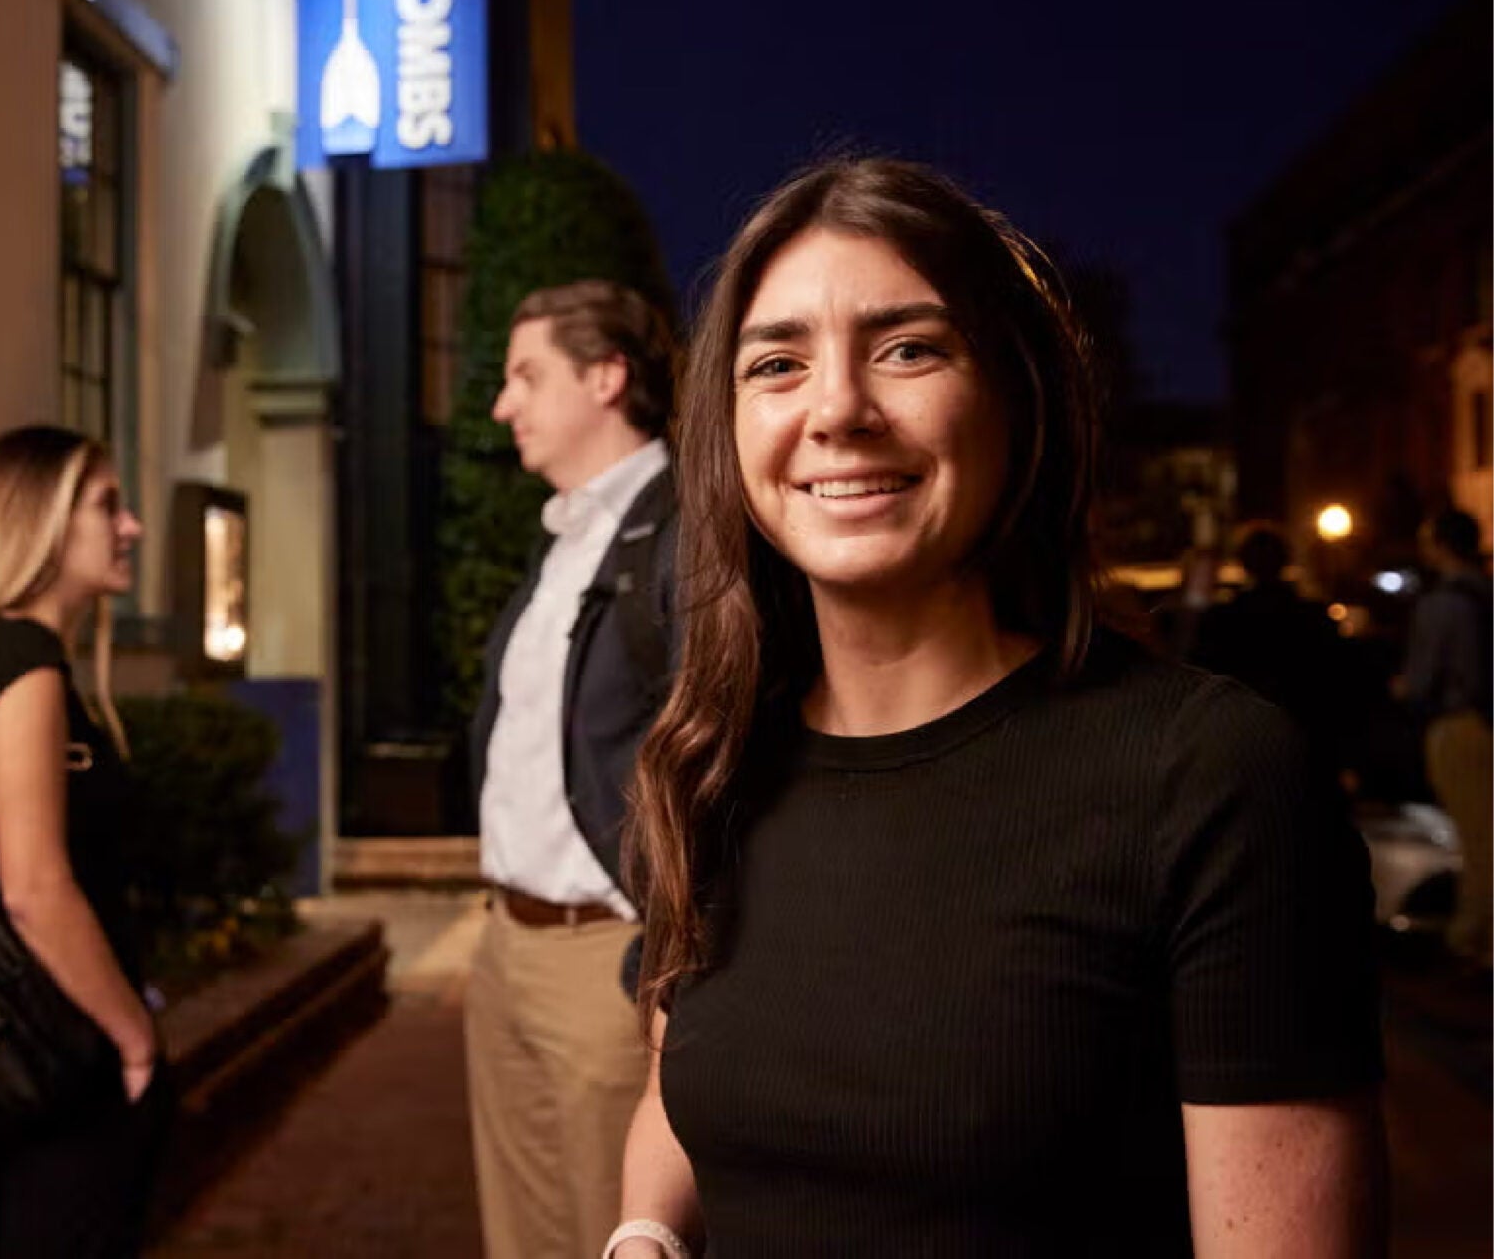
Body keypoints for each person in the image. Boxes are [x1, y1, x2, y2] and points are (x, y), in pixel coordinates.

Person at [610, 158, 1387, 1259]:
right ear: (727, 434)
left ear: (1013, 397)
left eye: (908, 349)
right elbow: (675, 1095)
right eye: (776, 363)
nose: (836, 407)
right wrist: (641, 1234)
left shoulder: (1206, 774)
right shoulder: (711, 764)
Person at [0, 424, 170, 1258]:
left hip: (17, 1054)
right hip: (61, 1060)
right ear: (39, 526)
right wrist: (135, 1038)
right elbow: (34, 888)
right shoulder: (24, 662)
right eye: (107, 506)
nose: (132, 528)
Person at [466, 278, 680, 1259]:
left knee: (618, 1230)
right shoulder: (564, 536)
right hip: (504, 946)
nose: (504, 403)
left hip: (605, 959)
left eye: (526, 375)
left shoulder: (683, 533)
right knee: (523, 1235)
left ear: (605, 375)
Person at [1397, 506, 1492, 967]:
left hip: (1460, 724)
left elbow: (1421, 680)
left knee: (1478, 837)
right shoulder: (1486, 593)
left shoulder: (1442, 604)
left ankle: (1473, 938)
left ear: (1439, 545)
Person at [1189, 520, 1351, 759]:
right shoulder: (1312, 616)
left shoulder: (1224, 620)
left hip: (1243, 741)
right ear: (1285, 560)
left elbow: (1203, 677)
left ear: (1243, 563)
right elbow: (1338, 679)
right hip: (1308, 740)